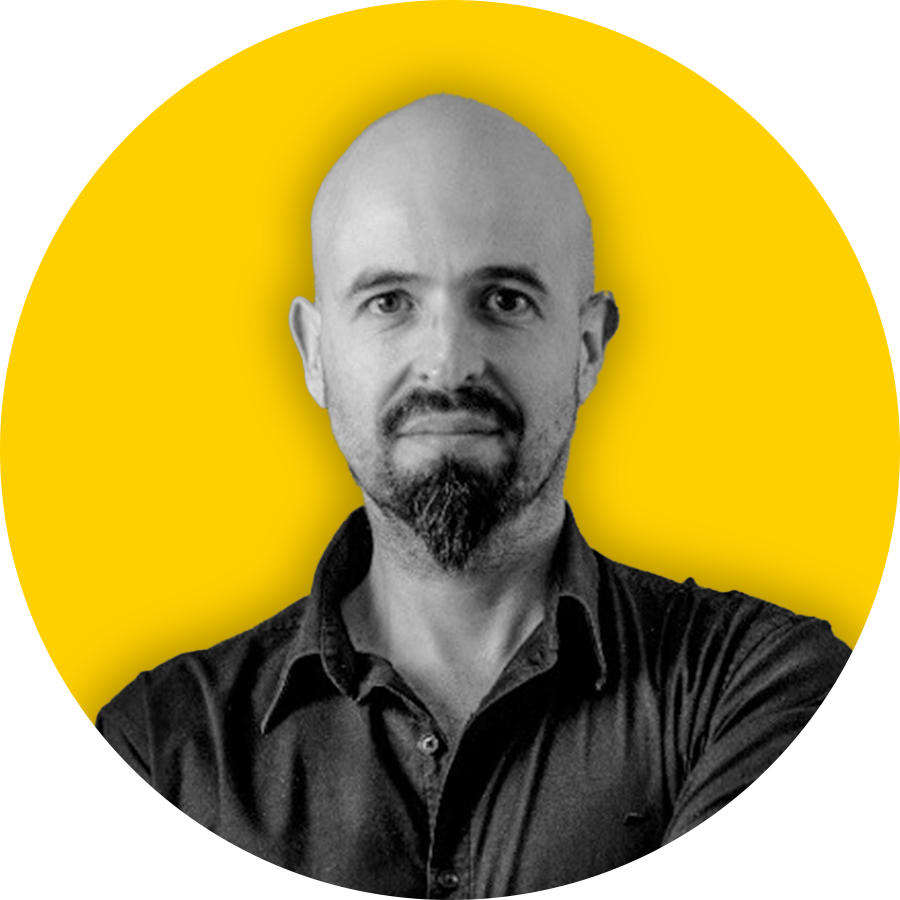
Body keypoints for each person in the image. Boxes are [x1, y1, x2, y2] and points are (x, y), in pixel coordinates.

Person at [96, 94, 855, 899]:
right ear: (316, 353)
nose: (449, 363)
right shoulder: (162, 745)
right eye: (389, 302)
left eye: (504, 300)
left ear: (587, 345)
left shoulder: (763, 684)